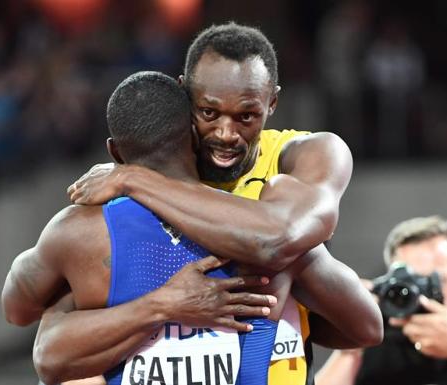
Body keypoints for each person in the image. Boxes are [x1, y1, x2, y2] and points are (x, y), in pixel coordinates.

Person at [64, 22, 381, 385]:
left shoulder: (310, 154)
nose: (226, 134)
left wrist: (134, 178)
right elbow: (33, 319)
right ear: (185, 95)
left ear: (272, 102)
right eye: (209, 113)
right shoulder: (152, 171)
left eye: (246, 116)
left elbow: (277, 241)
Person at [3, 71, 283, 385]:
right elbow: (348, 327)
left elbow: (17, 309)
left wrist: (77, 293)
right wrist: (168, 304)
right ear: (194, 133)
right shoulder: (255, 220)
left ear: (115, 152)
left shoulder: (77, 233)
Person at [315, 216, 447, 385]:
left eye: (435, 282)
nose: (422, 296)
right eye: (410, 285)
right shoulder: (384, 329)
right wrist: (353, 343)